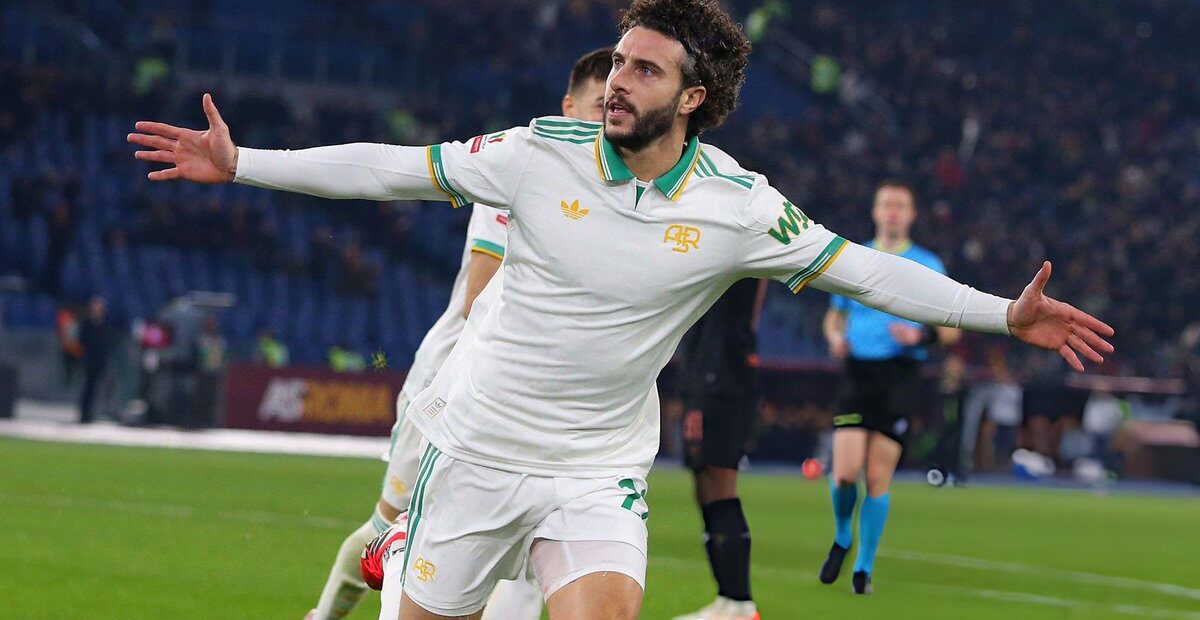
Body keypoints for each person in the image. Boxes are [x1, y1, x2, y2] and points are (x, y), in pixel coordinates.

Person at [128, 1, 1114, 616]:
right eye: (618, 61)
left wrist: (1002, 315)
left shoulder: (739, 206)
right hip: (475, 450)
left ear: (693, 98)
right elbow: (391, 169)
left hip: (596, 467)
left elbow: (861, 270)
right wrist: (244, 162)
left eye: (643, 69)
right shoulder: (537, 153)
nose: (617, 82)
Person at [303, 47, 616, 620]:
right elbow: (479, 300)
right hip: (452, 386)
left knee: (530, 557)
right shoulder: (524, 175)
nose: (607, 120)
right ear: (568, 107)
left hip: (535, 406)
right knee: (388, 529)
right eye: (599, 105)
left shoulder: (615, 199)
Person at [818, 181, 961, 594]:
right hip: (857, 373)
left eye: (901, 205)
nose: (893, 211)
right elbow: (835, 316)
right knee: (845, 474)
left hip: (900, 377)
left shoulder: (928, 264)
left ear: (912, 215)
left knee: (878, 478)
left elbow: (951, 329)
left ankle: (863, 568)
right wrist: (834, 337)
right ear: (875, 211)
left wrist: (921, 337)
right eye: (886, 204)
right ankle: (842, 535)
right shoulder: (855, 257)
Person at [673, 278, 766, 620]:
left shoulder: (730, 273)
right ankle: (729, 599)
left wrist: (699, 396)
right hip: (717, 379)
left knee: (720, 486)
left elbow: (718, 330)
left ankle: (739, 603)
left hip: (720, 383)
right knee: (707, 488)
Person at [78, 296, 113, 424]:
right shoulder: (86, 323)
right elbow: (82, 341)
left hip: (99, 361)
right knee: (87, 388)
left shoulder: (105, 324)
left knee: (97, 389)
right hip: (88, 360)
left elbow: (106, 343)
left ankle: (92, 413)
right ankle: (84, 414)